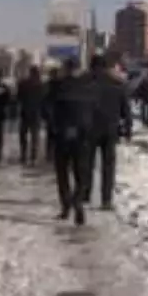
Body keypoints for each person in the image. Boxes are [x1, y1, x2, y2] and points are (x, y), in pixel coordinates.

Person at [81, 54, 132, 210]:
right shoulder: (117, 84)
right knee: (108, 165)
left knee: (86, 163)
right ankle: (106, 200)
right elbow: (126, 110)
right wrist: (128, 129)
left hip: (89, 128)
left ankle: (85, 195)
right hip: (110, 129)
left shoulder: (84, 83)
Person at [49, 58, 93, 225]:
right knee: (81, 173)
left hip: (62, 134)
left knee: (62, 173)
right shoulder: (88, 87)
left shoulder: (56, 86)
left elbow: (47, 108)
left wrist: (54, 127)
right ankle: (78, 200)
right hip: (82, 135)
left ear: (66, 69)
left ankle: (66, 205)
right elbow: (95, 110)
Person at [15, 66, 46, 165]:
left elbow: (18, 97)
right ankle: (33, 156)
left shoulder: (23, 83)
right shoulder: (41, 85)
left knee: (23, 135)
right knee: (34, 136)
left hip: (25, 112)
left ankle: (23, 155)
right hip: (36, 113)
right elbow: (44, 100)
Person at [42, 67, 62, 163]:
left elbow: (44, 99)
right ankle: (52, 154)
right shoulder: (60, 84)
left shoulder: (49, 85)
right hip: (56, 113)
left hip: (54, 112)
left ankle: (50, 154)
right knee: (54, 135)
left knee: (51, 135)